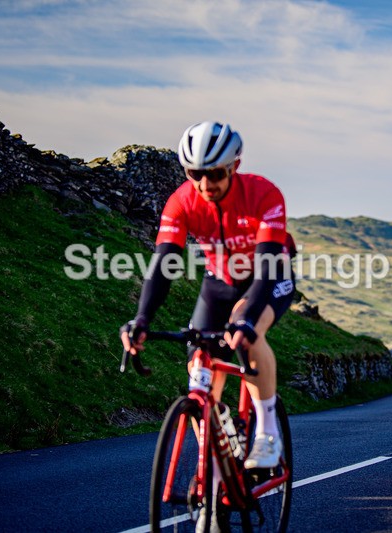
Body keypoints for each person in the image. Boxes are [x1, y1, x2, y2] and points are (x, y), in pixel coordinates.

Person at [120, 121, 295, 471]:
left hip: (269, 275)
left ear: (233, 167)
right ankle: (215, 466)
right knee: (198, 362)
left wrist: (245, 320)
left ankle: (268, 434)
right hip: (220, 281)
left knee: (246, 333)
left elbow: (265, 267)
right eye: (194, 173)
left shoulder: (264, 194)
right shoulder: (181, 201)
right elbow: (163, 263)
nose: (205, 184)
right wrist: (142, 319)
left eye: (214, 173)